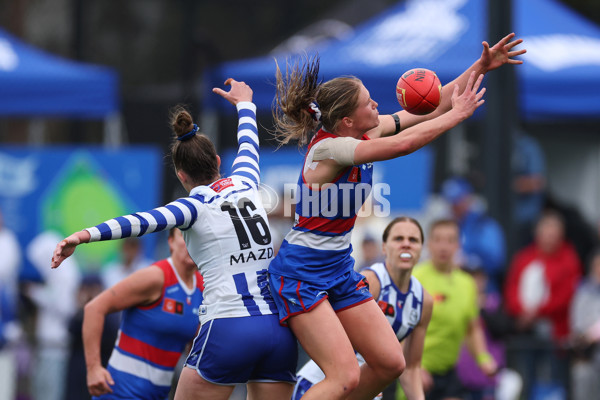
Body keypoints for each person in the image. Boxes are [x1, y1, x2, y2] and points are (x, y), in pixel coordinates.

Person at [268, 33, 524, 400]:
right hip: (301, 274)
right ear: (345, 121)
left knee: (391, 363)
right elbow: (404, 144)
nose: (375, 103)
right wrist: (459, 116)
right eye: (366, 102)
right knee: (344, 377)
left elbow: (431, 106)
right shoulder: (330, 148)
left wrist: (480, 67)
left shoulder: (364, 131)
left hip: (337, 267)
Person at [52, 79, 298, 400]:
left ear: (182, 176)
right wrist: (245, 104)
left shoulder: (193, 205)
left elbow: (138, 223)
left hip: (230, 326)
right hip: (278, 329)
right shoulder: (248, 180)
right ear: (219, 163)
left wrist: (82, 236)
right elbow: (248, 143)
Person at [292, 217, 433, 400]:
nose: (405, 245)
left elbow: (411, 368)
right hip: (322, 384)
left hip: (365, 392)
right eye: (398, 239)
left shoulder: (424, 301)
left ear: (421, 248)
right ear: (384, 247)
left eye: (413, 240)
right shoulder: (369, 281)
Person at [80, 228, 202, 399]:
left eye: (198, 237)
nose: (191, 242)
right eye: (184, 235)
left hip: (159, 395)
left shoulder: (204, 287)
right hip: (119, 393)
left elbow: (195, 347)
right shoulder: (156, 277)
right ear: (171, 242)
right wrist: (93, 369)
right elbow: (94, 308)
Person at [413, 219, 498, 400]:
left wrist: (483, 359)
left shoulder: (467, 284)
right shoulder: (415, 278)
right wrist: (414, 367)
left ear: (458, 245)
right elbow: (399, 330)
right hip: (416, 370)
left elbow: (472, 327)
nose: (443, 246)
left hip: (449, 371)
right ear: (429, 244)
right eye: (438, 240)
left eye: (450, 240)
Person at [504, 210, 582, 398]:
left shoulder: (569, 259)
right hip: (524, 332)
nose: (549, 237)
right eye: (545, 231)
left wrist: (538, 312)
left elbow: (567, 295)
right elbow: (511, 288)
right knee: (525, 378)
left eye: (553, 232)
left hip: (556, 334)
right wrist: (521, 312)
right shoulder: (524, 257)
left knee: (554, 382)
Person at [26, 231, 81, 400]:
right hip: (45, 345)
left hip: (57, 346)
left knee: (51, 393)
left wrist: (36, 295)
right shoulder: (56, 275)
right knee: (40, 390)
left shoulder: (66, 274)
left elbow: (65, 307)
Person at [440, 176, 506, 287]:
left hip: (484, 288)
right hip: (452, 285)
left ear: (468, 199)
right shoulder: (447, 224)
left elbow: (496, 261)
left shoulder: (484, 224)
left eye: (457, 202)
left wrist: (468, 261)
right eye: (451, 203)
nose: (454, 207)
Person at [570, 248, 600, 400]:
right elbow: (577, 325)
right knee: (582, 374)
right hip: (589, 352)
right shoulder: (583, 292)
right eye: (598, 265)